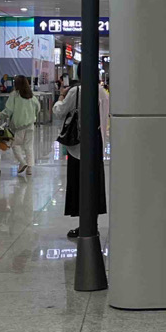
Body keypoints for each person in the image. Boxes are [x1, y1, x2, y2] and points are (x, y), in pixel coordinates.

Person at [54, 72, 109, 235]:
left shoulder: (76, 91)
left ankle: (85, 225)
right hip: (97, 143)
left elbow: (59, 112)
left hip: (78, 145)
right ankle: (92, 225)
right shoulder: (102, 92)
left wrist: (61, 97)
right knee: (94, 185)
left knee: (79, 185)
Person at [2, 75, 40, 175]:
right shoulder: (31, 95)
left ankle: (22, 162)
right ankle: (30, 168)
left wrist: (0, 115)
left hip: (19, 126)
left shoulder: (14, 95)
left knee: (14, 144)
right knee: (29, 146)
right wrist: (33, 115)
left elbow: (9, 110)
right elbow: (38, 107)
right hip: (30, 125)